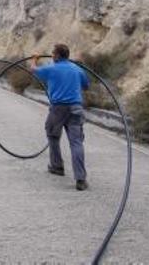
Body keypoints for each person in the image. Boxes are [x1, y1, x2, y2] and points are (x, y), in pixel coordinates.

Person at [31, 44, 90, 191]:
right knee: (76, 143)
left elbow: (33, 70)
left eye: (53, 53)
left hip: (58, 109)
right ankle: (81, 179)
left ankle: (57, 166)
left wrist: (34, 59)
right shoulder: (77, 69)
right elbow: (86, 85)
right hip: (76, 108)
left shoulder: (51, 68)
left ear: (57, 55)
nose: (51, 55)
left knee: (53, 136)